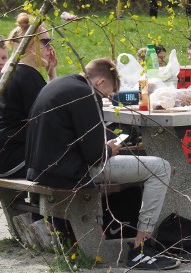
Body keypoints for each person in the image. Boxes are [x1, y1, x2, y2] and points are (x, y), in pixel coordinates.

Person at [25, 58, 179, 270]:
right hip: (69, 172)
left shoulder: (58, 84)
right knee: (161, 167)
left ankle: (114, 237)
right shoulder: (87, 94)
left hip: (40, 169)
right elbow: (94, 156)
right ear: (100, 82)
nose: (106, 97)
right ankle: (141, 248)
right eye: (108, 93)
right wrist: (110, 148)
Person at [0, 14, 57, 178]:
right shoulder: (27, 76)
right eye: (45, 42)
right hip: (15, 158)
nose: (50, 48)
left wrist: (51, 72)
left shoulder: (11, 72)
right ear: (31, 45)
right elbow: (52, 119)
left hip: (7, 155)